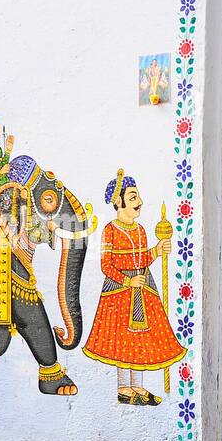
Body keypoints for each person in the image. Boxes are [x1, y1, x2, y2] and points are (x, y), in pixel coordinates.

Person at [81, 169, 186, 404]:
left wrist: (157, 251)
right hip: (119, 292)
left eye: (137, 197)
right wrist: (128, 280)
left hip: (142, 289)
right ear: (118, 202)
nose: (139, 203)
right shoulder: (110, 230)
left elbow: (143, 258)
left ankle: (137, 387)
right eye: (132, 198)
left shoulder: (139, 230)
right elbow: (105, 266)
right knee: (120, 341)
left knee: (139, 340)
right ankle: (123, 388)